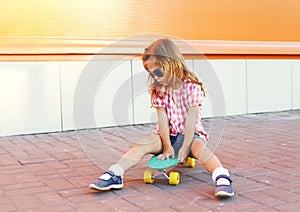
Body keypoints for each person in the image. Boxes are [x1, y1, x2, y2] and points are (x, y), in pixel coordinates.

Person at [89, 38, 234, 197]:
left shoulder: (192, 88)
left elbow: (191, 120)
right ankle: (115, 173)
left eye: (158, 72)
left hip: (191, 135)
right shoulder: (159, 90)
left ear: (171, 63)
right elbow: (162, 119)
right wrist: (167, 146)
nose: (155, 78)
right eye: (151, 74)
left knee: (200, 149)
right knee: (143, 143)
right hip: (167, 135)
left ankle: (221, 176)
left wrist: (185, 147)